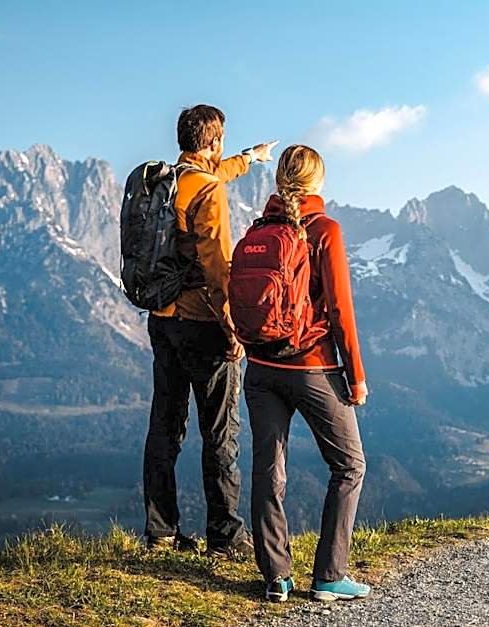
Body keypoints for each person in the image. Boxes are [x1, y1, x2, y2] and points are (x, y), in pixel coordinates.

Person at [143, 103, 277, 557]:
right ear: (213, 142)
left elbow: (216, 171)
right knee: (220, 432)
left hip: (162, 320)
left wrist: (251, 157)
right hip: (202, 322)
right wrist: (234, 329)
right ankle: (224, 533)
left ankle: (160, 531)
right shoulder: (209, 193)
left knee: (165, 425)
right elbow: (219, 269)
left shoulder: (168, 181)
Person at [242, 145, 371, 602]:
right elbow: (340, 310)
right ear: (318, 182)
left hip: (258, 368)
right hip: (311, 368)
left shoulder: (259, 230)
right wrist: (355, 375)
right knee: (349, 464)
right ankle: (329, 574)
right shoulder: (325, 230)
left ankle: (276, 576)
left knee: (267, 470)